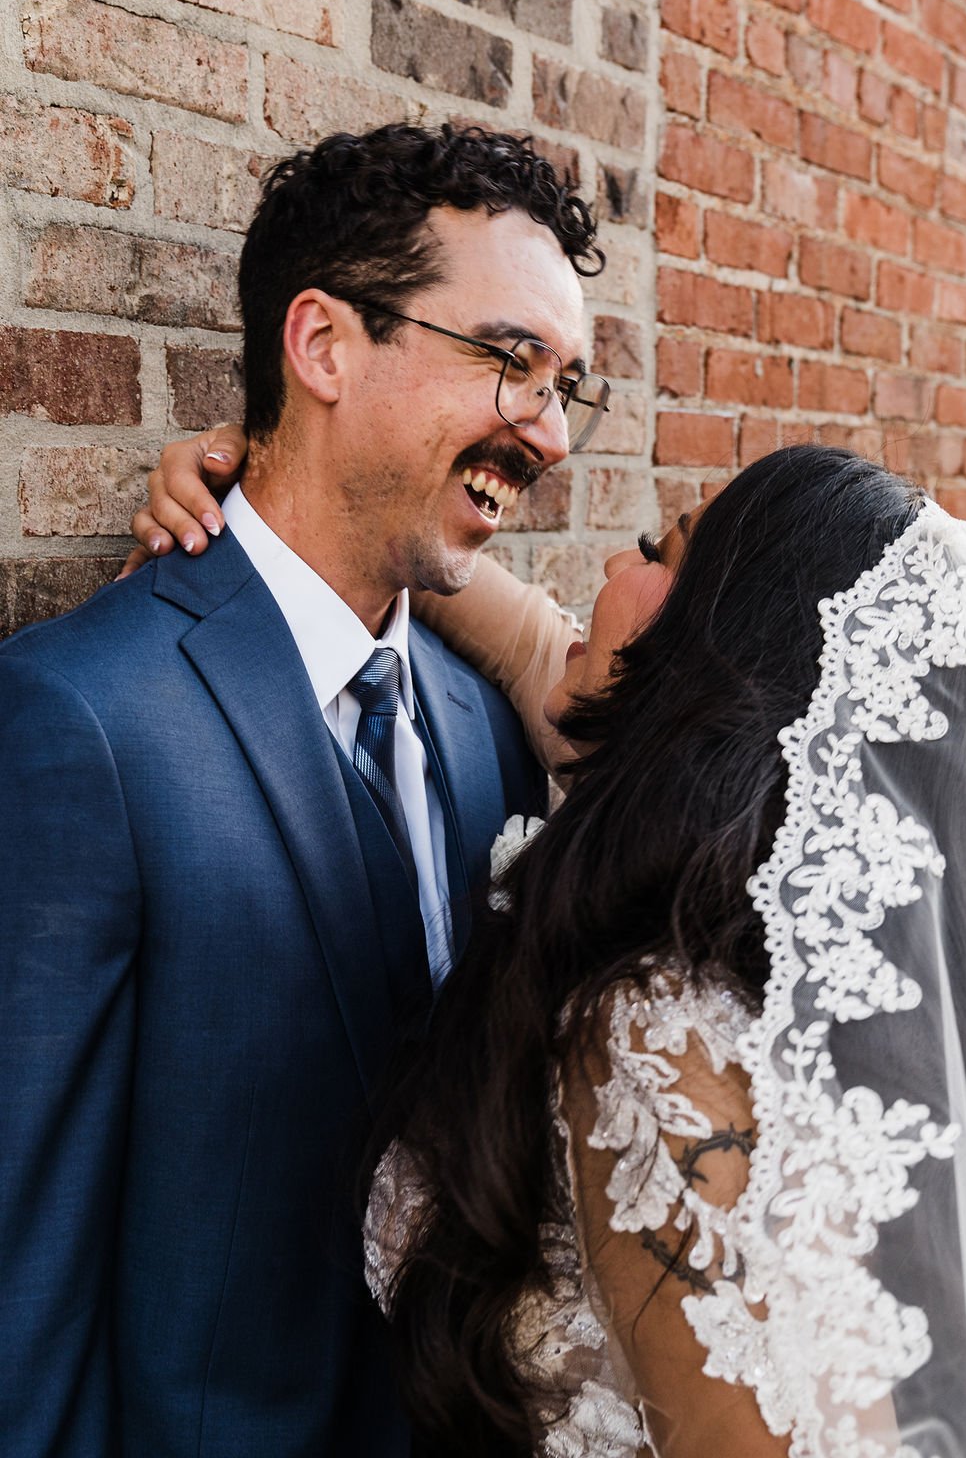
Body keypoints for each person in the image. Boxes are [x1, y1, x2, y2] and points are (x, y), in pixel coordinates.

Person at [129, 440, 966, 1456]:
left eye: (655, 550)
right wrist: (291, 504)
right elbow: (531, 647)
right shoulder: (743, 921)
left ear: (715, 652)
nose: (604, 571)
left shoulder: (657, 1033)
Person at [0, 123, 612, 1458]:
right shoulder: (81, 719)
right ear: (325, 345)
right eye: (512, 363)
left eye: (568, 387)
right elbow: (23, 1277)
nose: (551, 437)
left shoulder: (486, 720)